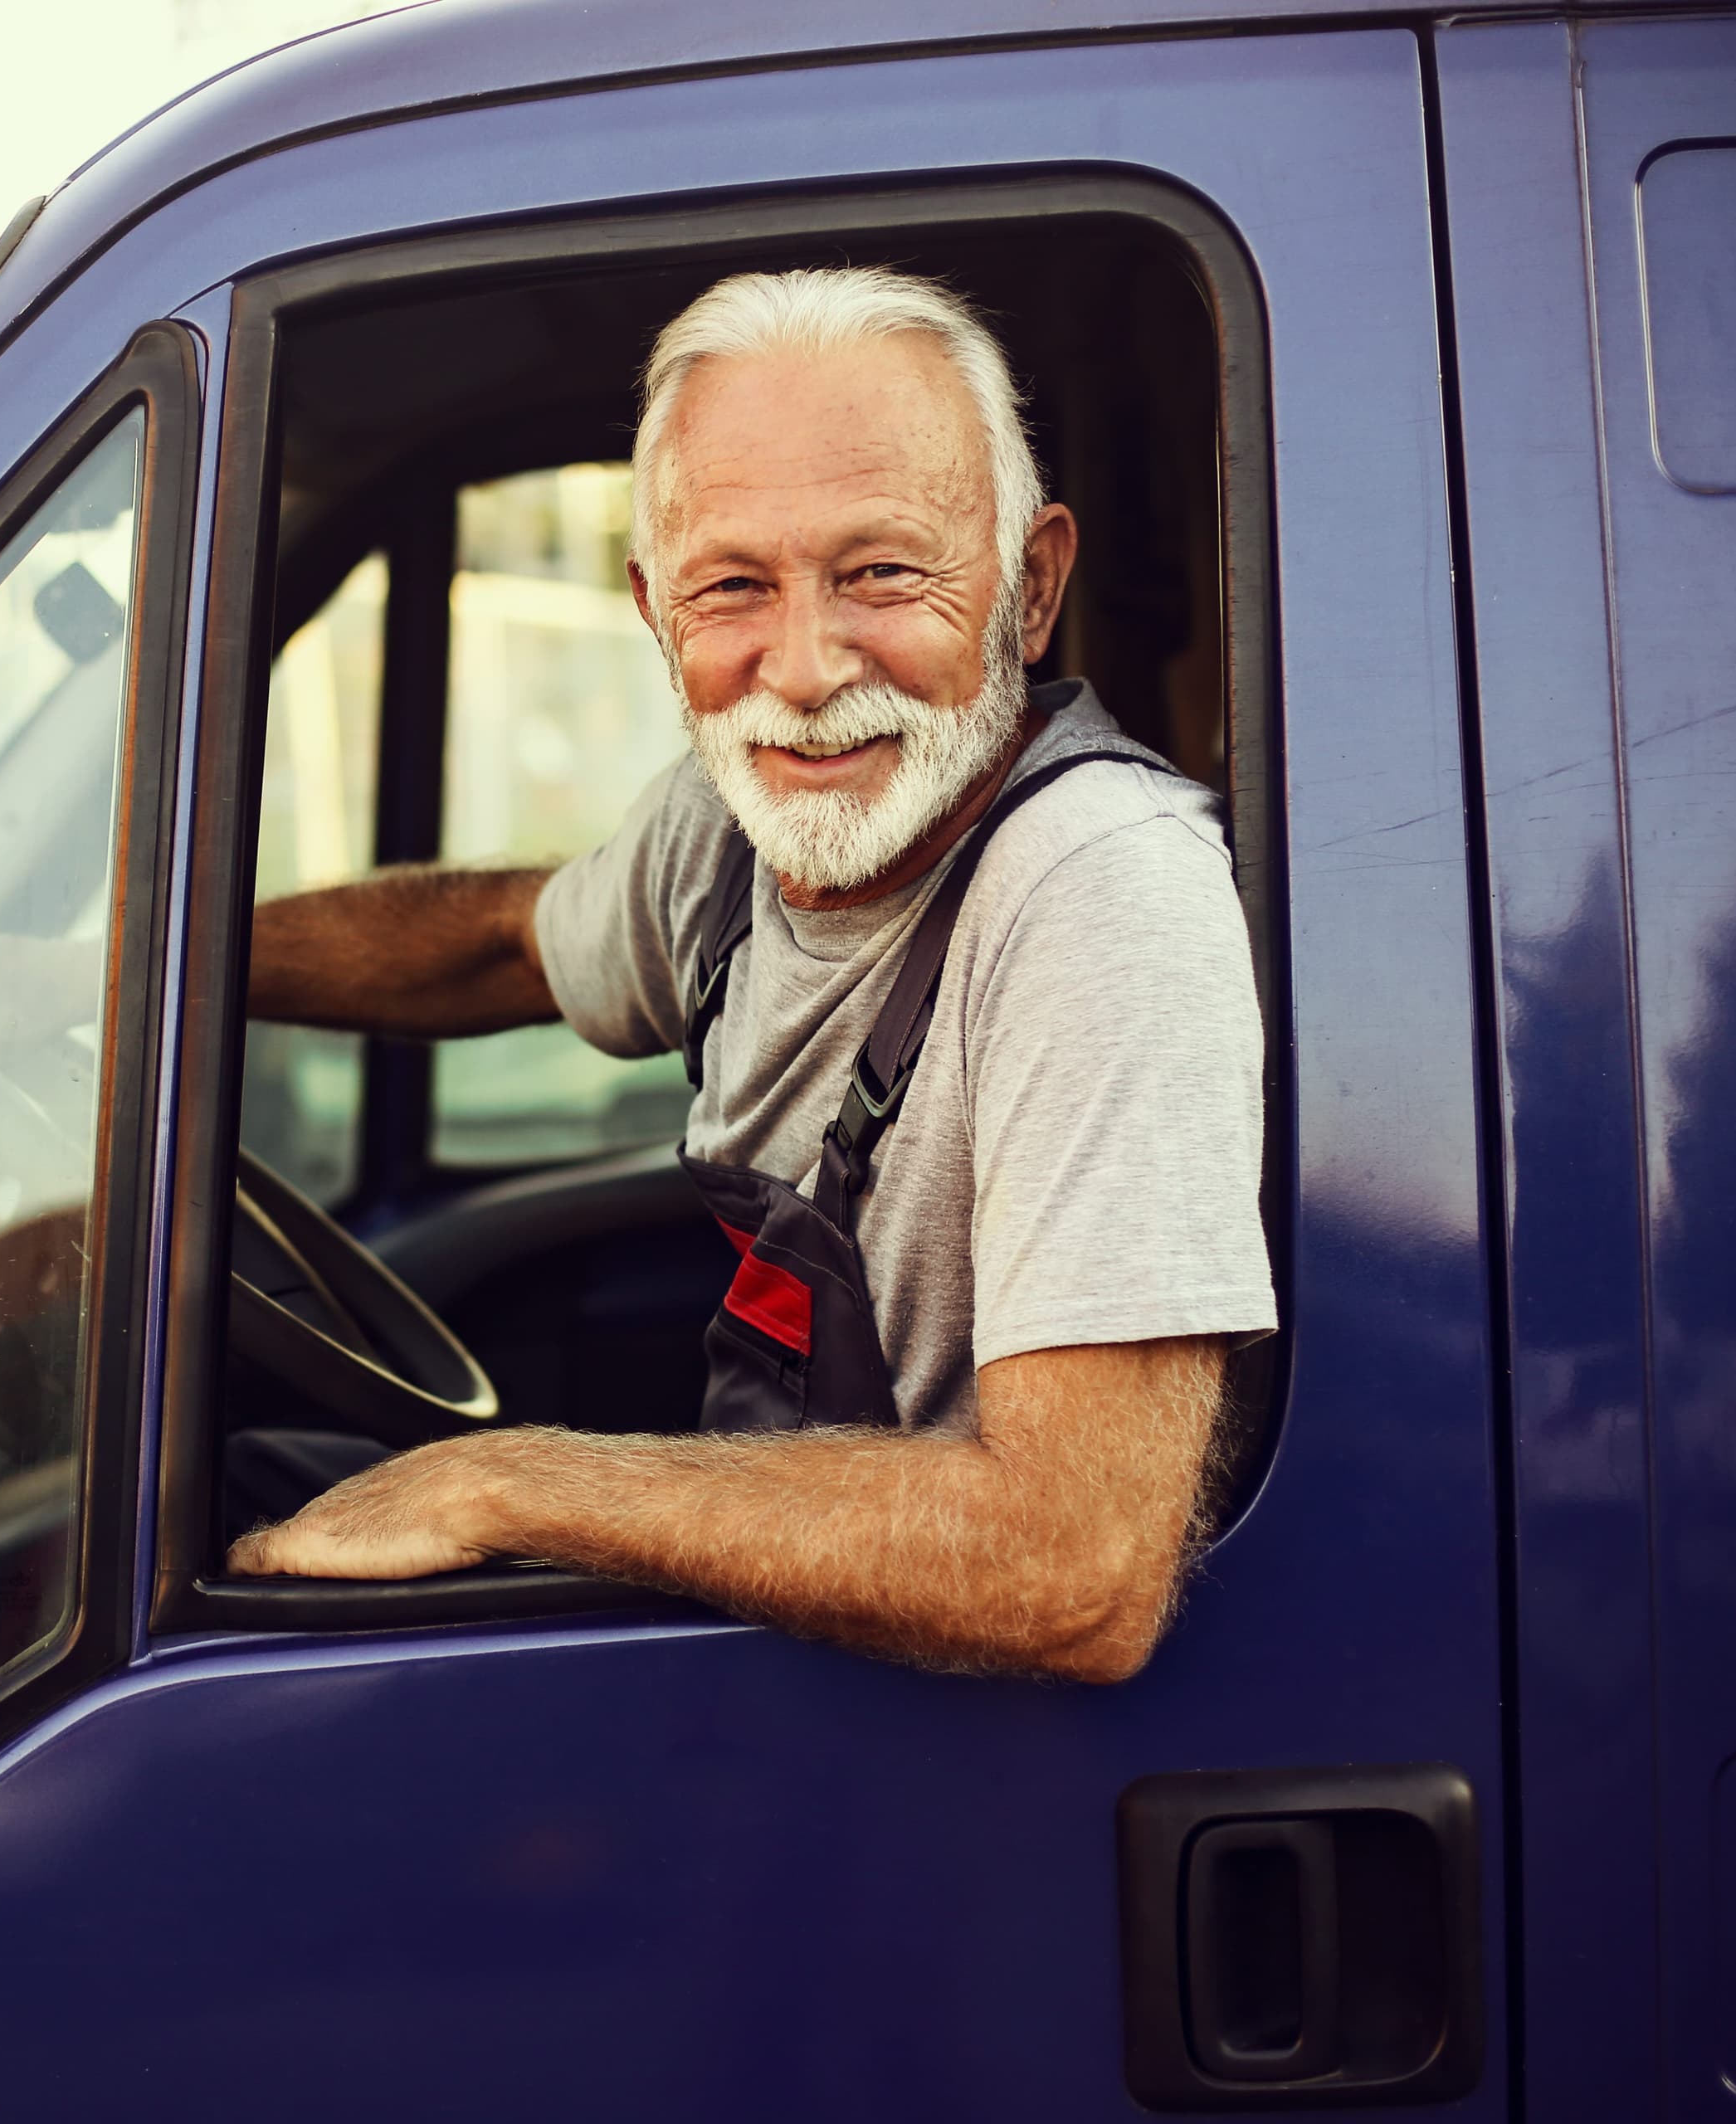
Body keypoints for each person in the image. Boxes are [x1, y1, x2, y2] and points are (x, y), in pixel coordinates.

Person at [220, 267, 1275, 1683]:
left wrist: (498, 1488)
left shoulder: (1100, 894)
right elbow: (489, 942)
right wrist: (131, 979)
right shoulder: (729, 829)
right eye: (734, 588)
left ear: (1028, 589)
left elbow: (1072, 1567)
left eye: (883, 571)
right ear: (657, 615)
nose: (806, 666)